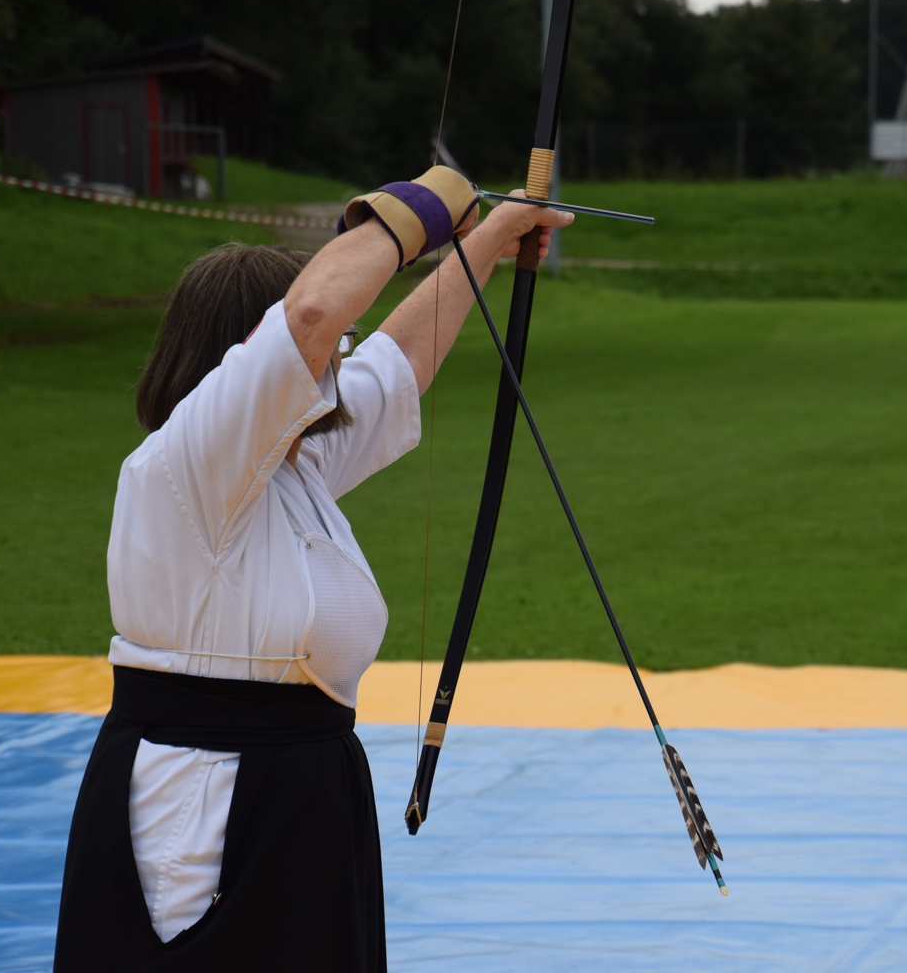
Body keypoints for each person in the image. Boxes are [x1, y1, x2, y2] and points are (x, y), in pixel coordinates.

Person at [53, 166, 573, 973]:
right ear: (244, 359)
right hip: (210, 812)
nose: (334, 365)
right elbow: (312, 314)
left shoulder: (291, 464)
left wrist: (491, 238)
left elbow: (397, 363)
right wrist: (428, 202)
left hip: (299, 792)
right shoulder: (188, 464)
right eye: (322, 357)